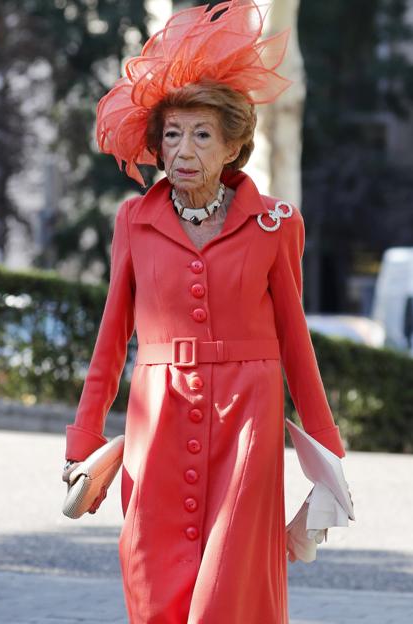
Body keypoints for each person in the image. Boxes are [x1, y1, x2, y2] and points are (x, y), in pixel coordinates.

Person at [62, 1, 347, 622]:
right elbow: (111, 338)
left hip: (249, 415)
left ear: (233, 146)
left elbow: (296, 340)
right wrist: (83, 438)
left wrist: (326, 454)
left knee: (229, 588)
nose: (182, 150)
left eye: (201, 134)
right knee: (153, 575)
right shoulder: (133, 220)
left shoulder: (277, 223)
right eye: (171, 134)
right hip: (155, 417)